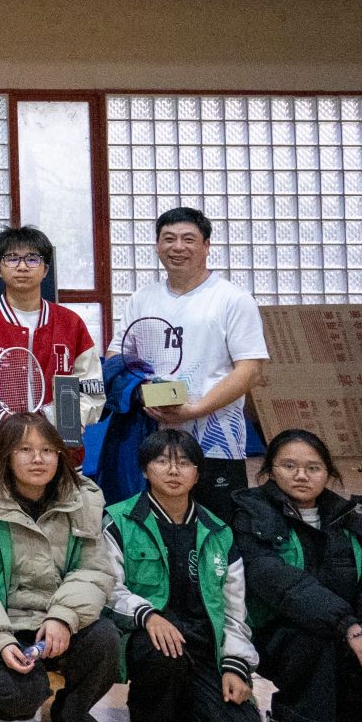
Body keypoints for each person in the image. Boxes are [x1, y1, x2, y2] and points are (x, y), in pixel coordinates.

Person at [231, 429, 362, 722]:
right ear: (269, 470)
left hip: (342, 630)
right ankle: (287, 717)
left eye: (313, 468)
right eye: (289, 466)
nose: (301, 476)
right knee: (313, 637)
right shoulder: (250, 512)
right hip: (272, 632)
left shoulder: (350, 520)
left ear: (328, 473)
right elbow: (280, 583)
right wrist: (349, 626)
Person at [0, 412, 119, 722]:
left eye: (47, 450)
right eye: (25, 449)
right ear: (6, 455)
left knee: (106, 640)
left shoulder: (83, 499)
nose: (38, 459)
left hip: (60, 618)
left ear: (60, 454)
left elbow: (93, 570)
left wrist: (63, 617)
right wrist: (0, 641)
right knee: (17, 696)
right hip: (6, 622)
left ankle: (70, 716)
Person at [101, 429, 263, 722]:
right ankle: (148, 717)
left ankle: (188, 705)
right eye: (162, 461)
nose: (174, 471)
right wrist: (148, 616)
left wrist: (236, 666)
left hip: (203, 647)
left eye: (185, 463)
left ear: (198, 474)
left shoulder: (219, 531)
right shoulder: (119, 519)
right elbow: (108, 587)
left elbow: (235, 611)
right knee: (162, 648)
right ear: (145, 470)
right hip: (147, 638)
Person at [110, 207, 270, 521]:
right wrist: (139, 391)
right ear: (157, 246)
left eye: (188, 239)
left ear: (206, 246)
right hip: (152, 436)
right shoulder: (141, 299)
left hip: (216, 439)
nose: (178, 247)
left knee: (217, 525)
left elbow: (250, 370)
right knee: (152, 524)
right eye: (169, 239)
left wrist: (196, 409)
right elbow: (118, 357)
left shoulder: (232, 299)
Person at [0, 226, 101, 467]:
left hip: (60, 455)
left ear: (46, 269)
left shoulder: (71, 324)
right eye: (12, 258)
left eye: (32, 259)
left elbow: (91, 387)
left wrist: (52, 418)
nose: (23, 266)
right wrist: (1, 417)